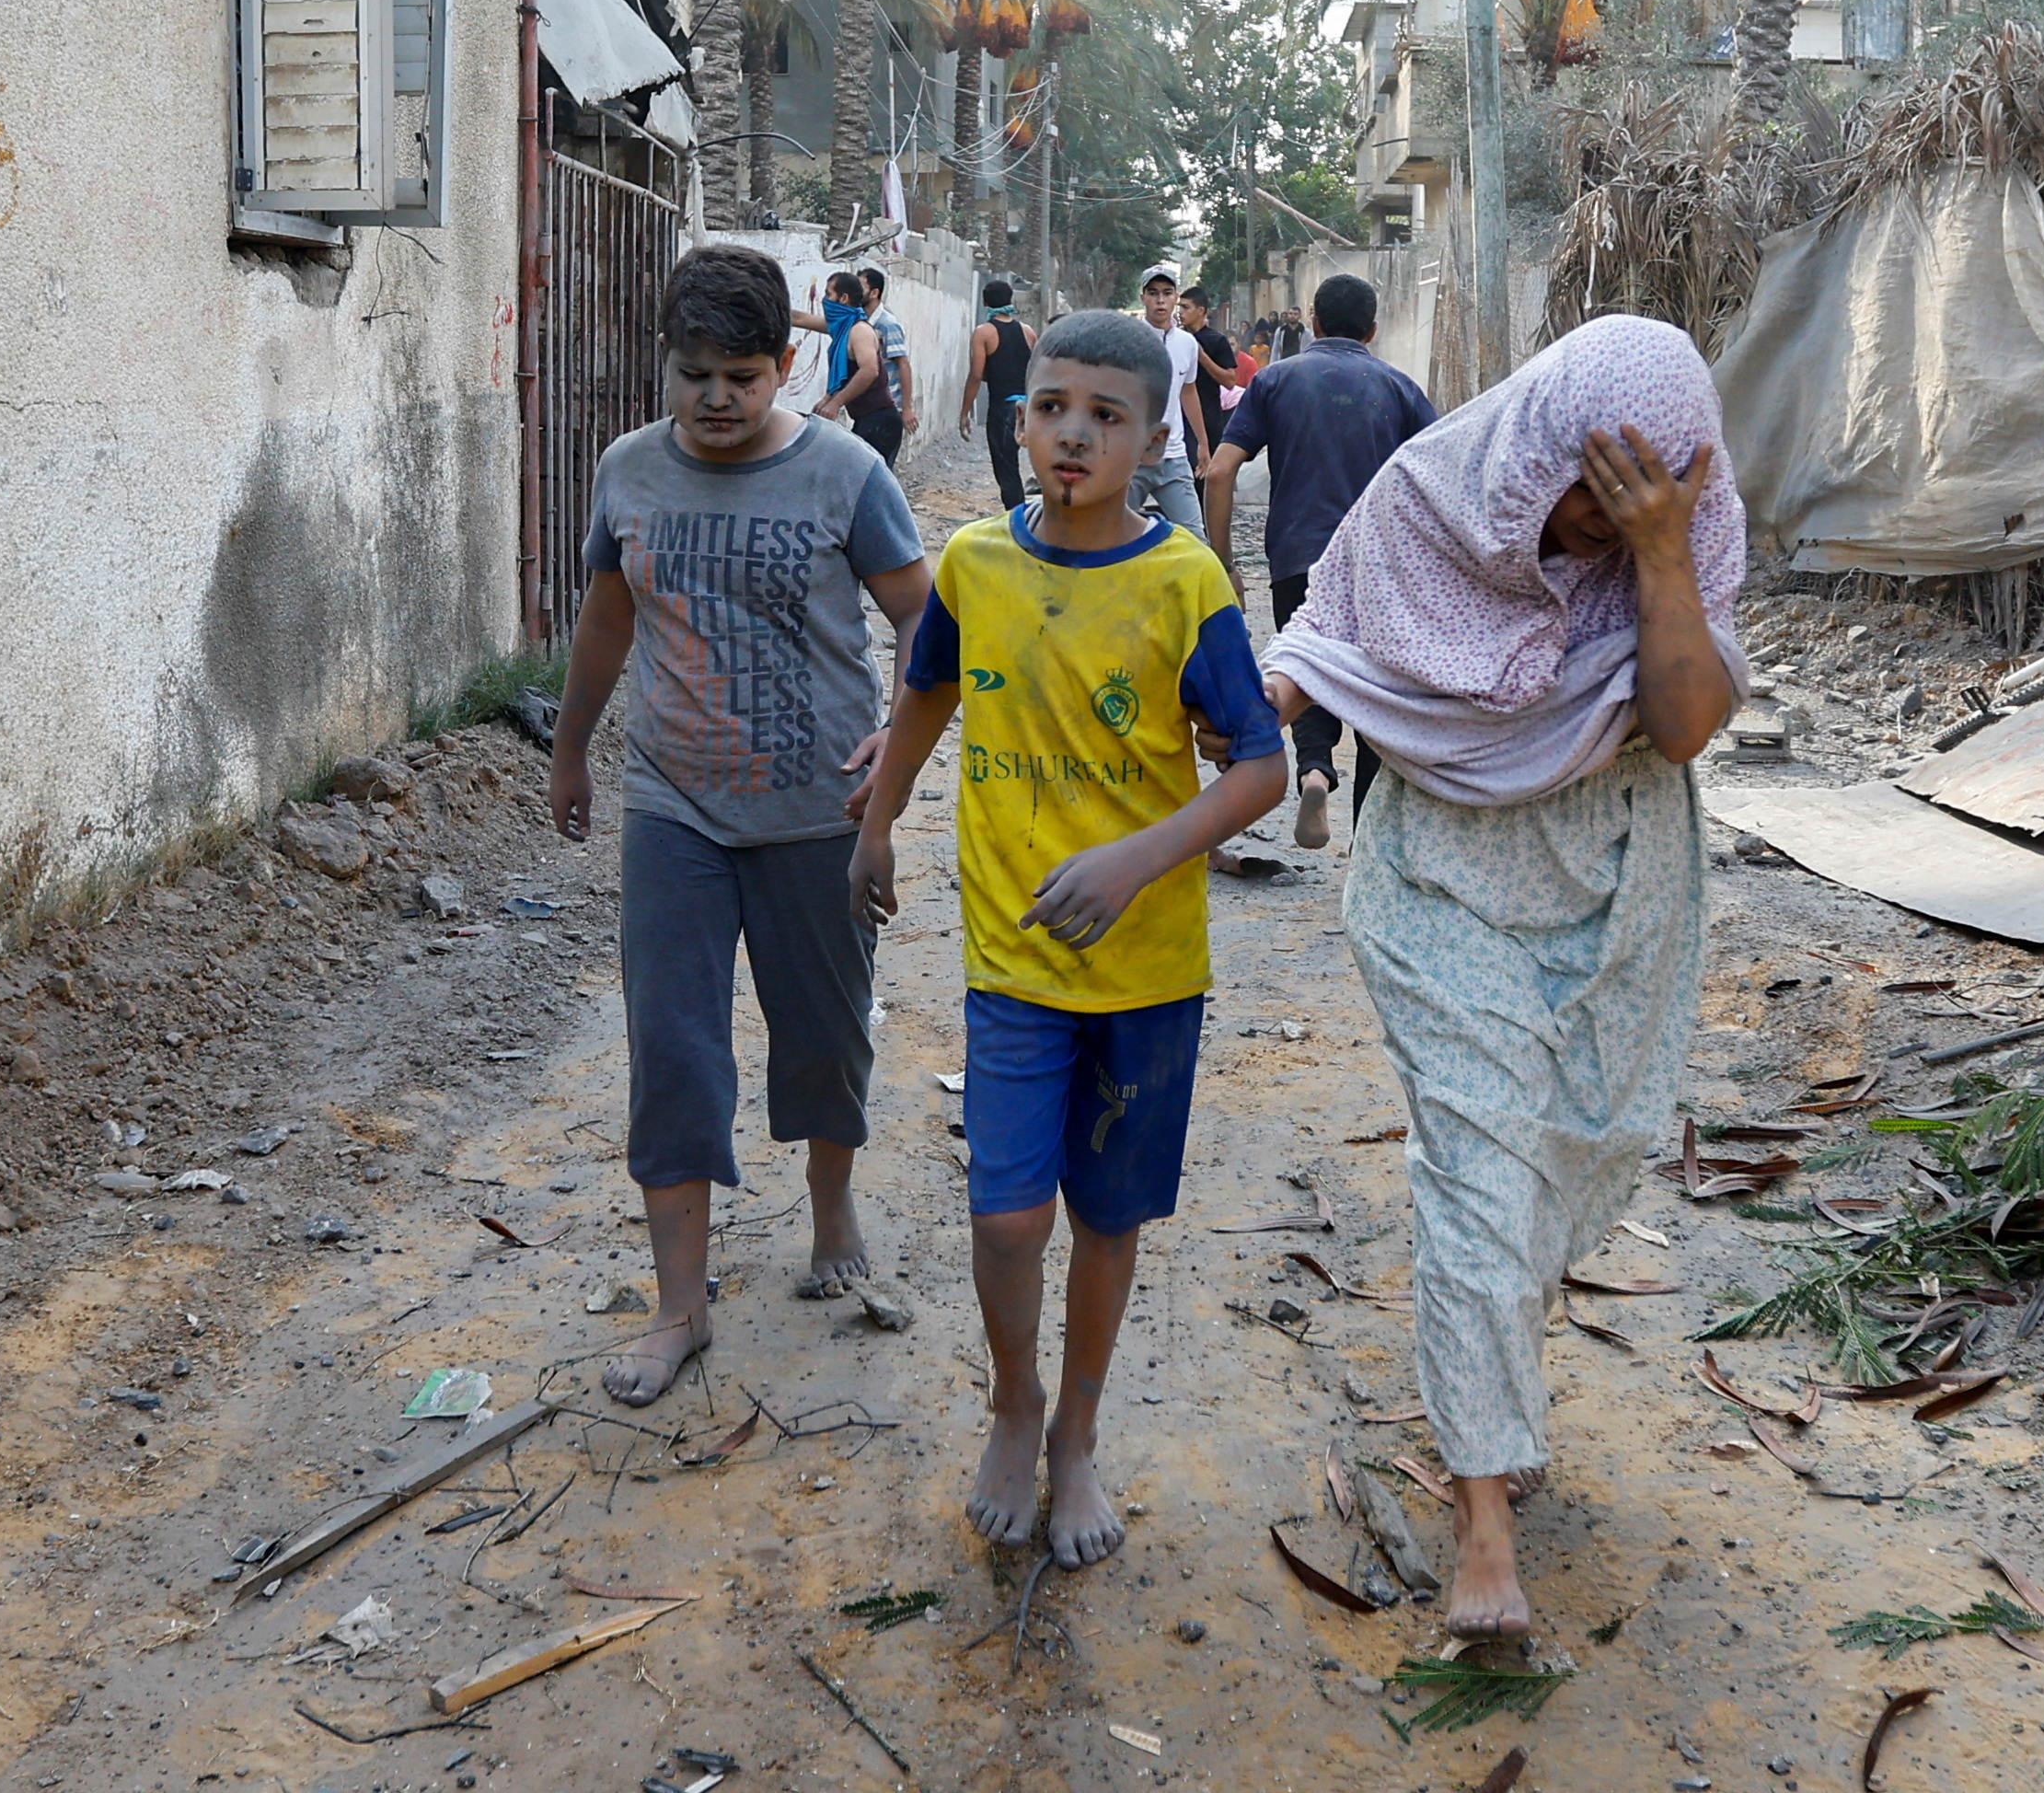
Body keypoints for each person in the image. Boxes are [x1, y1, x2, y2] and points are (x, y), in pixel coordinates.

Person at [1260, 316, 1745, 1639]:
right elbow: (1326, 632)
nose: (1597, 517)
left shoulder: (1675, 542)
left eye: (1642, 495)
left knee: (1581, 1152)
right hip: (1443, 873)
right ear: (1540, 445)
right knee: (1479, 1174)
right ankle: (1482, 1517)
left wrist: (1657, 550)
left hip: (1620, 871)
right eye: (1591, 485)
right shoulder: (1432, 493)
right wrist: (1249, 713)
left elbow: (1688, 721)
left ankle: (1495, 1389)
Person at [853, 309, 1288, 1567]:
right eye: (1052, 408)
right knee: (1005, 1221)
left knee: (1106, 1218)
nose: (1073, 434)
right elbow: (928, 687)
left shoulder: (1183, 581)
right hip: (1012, 959)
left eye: (1105, 416)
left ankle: (1079, 1434)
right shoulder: (978, 564)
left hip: (1149, 972)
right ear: (1020, 418)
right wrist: (877, 824)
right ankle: (1013, 1403)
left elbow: (1257, 768)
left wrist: (1137, 856)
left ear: (1156, 436)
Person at [549, 243, 936, 1407]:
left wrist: (896, 750)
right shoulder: (629, 474)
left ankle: (831, 1213)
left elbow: (926, 622)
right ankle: (682, 1308)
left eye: (743, 375)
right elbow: (606, 624)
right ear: (666, 369)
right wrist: (571, 749)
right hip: (672, 807)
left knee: (822, 1035)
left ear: (784, 367)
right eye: (693, 373)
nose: (716, 398)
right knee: (671, 1050)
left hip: (818, 812)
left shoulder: (847, 474)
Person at [1200, 273, 1437, 850]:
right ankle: (1367, 848)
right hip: (1378, 567)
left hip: (1297, 556)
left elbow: (1223, 470)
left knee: (1306, 671)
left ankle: (1314, 771)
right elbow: (1439, 473)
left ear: (1312, 321)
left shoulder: (1277, 380)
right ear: (1373, 330)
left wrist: (1223, 562)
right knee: (1375, 699)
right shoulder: (1400, 388)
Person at [1131, 266, 1207, 529]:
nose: (1160, 300)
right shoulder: (1128, 341)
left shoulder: (1187, 344)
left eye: (1166, 293)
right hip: (1131, 457)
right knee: (1106, 539)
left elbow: (1188, 391)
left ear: (1176, 297)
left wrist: (1203, 444)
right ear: (1143, 298)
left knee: (1195, 538)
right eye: (1153, 293)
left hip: (1174, 457)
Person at [812, 268, 905, 468]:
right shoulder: (844, 327)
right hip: (868, 420)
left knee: (870, 487)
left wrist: (836, 403)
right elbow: (801, 319)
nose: (824, 300)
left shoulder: (859, 331)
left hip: (880, 421)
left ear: (843, 298)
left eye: (829, 294)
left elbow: (869, 371)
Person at [956, 276, 1034, 511]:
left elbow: (976, 375)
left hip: (1003, 409)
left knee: (1007, 469)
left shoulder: (984, 333)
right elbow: (1037, 369)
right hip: (1029, 407)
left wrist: (964, 413)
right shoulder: (1028, 331)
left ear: (985, 303)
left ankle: (1016, 520)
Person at [1178, 289, 1241, 453]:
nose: (1180, 312)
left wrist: (1202, 357)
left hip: (1208, 417)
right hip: (1179, 418)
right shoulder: (1176, 339)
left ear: (1200, 311)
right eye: (1179, 307)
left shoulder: (1217, 340)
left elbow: (1230, 381)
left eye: (1186, 308)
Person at [859, 265, 917, 438]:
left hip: (885, 407)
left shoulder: (887, 324)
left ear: (874, 293)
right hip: (868, 406)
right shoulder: (861, 321)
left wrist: (906, 408)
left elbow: (903, 364)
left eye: (860, 287)